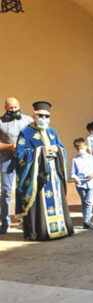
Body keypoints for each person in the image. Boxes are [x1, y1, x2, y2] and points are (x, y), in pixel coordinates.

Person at [15, 101, 74, 241]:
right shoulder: (26, 132)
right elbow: (21, 154)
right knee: (40, 204)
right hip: (38, 175)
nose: (44, 118)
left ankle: (60, 229)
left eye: (47, 116)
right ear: (34, 116)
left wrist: (57, 150)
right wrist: (41, 151)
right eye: (41, 115)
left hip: (53, 174)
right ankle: (41, 232)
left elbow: (61, 147)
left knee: (57, 200)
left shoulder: (52, 132)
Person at [0, 97, 33, 233]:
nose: (13, 110)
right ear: (5, 108)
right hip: (7, 159)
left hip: (25, 158)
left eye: (15, 107)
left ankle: (25, 220)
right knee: (6, 191)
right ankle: (5, 222)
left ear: (19, 106)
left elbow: (34, 139)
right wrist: (10, 146)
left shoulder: (28, 120)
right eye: (10, 108)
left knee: (24, 188)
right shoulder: (0, 122)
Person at [70, 138, 93, 229]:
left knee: (89, 201)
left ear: (86, 147)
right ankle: (86, 220)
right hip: (81, 184)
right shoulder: (75, 160)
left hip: (92, 183)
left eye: (82, 148)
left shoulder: (92, 158)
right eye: (78, 148)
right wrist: (75, 177)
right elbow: (72, 172)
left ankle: (87, 221)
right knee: (84, 202)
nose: (80, 150)